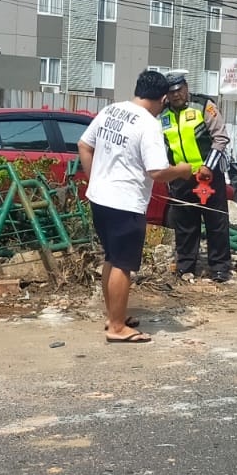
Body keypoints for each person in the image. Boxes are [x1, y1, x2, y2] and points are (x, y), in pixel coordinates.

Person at [78, 70, 194, 343]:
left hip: (99, 197)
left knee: (111, 257)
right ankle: (117, 328)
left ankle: (113, 316)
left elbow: (84, 144)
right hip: (125, 202)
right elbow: (157, 171)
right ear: (163, 98)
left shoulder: (111, 110)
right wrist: (183, 170)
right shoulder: (149, 123)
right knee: (122, 263)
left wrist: (95, 178)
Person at [160, 74, 233, 281]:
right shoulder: (162, 114)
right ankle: (186, 266)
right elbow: (163, 145)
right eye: (172, 92)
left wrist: (208, 166)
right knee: (184, 223)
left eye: (179, 89)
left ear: (186, 87)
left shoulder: (203, 106)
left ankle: (219, 268)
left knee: (216, 221)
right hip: (181, 177)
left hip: (209, 175)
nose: (176, 95)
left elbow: (220, 137)